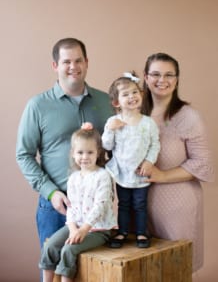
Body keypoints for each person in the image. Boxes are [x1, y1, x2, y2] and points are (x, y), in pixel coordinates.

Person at [16, 38, 113, 249]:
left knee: (96, 274)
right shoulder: (38, 106)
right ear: (55, 66)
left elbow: (117, 149)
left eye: (78, 61)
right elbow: (24, 155)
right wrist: (51, 192)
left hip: (97, 209)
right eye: (67, 62)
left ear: (87, 62)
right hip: (57, 205)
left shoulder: (106, 102)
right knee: (54, 270)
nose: (73, 67)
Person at [142, 52, 214, 272]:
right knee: (144, 269)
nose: (161, 80)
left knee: (175, 269)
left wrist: (162, 175)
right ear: (145, 78)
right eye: (155, 74)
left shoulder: (188, 117)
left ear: (177, 79)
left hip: (177, 207)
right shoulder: (134, 114)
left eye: (168, 75)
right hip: (140, 205)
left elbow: (202, 162)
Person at [39, 123, 117, 282]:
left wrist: (83, 230)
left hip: (98, 229)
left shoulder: (102, 176)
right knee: (50, 246)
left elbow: (100, 207)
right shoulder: (73, 178)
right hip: (77, 226)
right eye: (80, 152)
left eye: (90, 152)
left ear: (98, 153)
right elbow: (71, 207)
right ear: (73, 154)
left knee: (68, 250)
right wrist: (73, 229)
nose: (85, 157)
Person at [102, 72, 160, 248]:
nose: (132, 97)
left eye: (135, 92)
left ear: (141, 95)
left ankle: (142, 233)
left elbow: (155, 145)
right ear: (116, 102)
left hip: (140, 172)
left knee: (140, 205)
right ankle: (122, 232)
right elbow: (106, 146)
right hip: (122, 172)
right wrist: (110, 130)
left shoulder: (148, 123)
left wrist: (149, 162)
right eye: (125, 94)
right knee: (124, 204)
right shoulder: (113, 121)